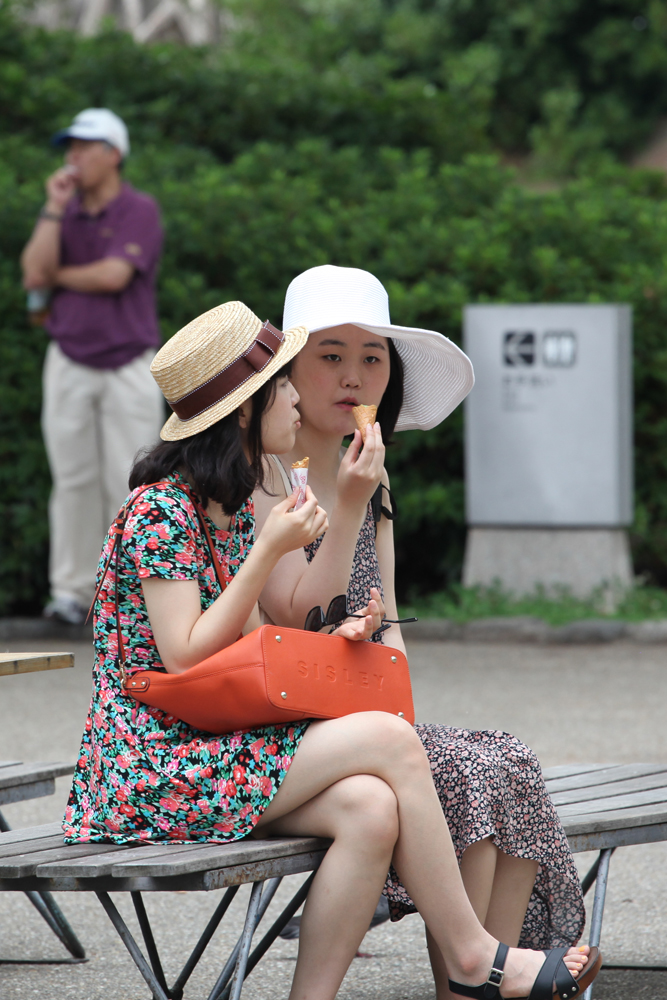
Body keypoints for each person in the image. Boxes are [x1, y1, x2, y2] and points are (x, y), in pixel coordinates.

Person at [63, 299, 598, 1000]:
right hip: (150, 768)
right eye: (284, 384)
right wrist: (267, 553)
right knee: (388, 741)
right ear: (248, 408)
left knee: (370, 808)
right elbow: (186, 656)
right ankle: (474, 958)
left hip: (209, 749)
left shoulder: (219, 506)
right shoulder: (160, 508)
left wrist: (329, 633)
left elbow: (243, 644)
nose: (296, 398)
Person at [252, 265, 588, 999]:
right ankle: (474, 973)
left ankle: (485, 976)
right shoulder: (263, 472)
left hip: (363, 711)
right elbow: (290, 620)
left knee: (507, 759)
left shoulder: (370, 474)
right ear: (289, 369)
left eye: (371, 358)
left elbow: (390, 612)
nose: (352, 376)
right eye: (330, 356)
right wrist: (344, 504)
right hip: (288, 725)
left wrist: (384, 655)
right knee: (459, 770)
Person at [21, 108, 164, 625]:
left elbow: (113, 275)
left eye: (85, 146)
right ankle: (71, 593)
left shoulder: (138, 209)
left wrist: (56, 276)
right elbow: (32, 270)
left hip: (129, 361)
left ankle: (126, 593)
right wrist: (53, 208)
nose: (73, 155)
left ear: (114, 154)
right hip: (68, 359)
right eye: (70, 146)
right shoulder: (65, 211)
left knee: (130, 479)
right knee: (73, 480)